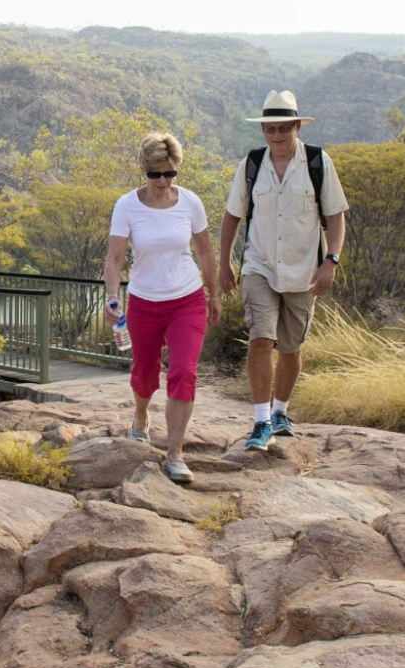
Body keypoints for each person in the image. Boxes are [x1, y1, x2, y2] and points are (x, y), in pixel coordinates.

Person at [218, 90, 348, 451]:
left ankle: (280, 412)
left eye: (282, 129)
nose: (275, 137)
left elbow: (336, 217)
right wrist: (224, 263)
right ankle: (260, 421)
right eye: (269, 129)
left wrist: (331, 260)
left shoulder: (319, 163)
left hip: (304, 270)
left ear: (295, 127)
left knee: (291, 347)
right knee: (261, 339)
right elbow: (232, 215)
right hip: (259, 265)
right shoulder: (252, 164)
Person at [103, 131, 218, 484]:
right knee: (145, 371)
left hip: (187, 299)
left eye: (169, 173)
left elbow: (204, 252)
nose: (163, 181)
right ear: (144, 171)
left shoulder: (190, 202)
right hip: (144, 301)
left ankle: (175, 453)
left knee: (183, 371)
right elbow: (116, 257)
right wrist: (112, 296)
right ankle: (141, 417)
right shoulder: (127, 206)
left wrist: (214, 295)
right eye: (155, 174)